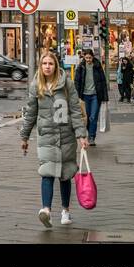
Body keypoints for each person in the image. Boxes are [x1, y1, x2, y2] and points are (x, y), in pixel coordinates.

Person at [21, 49, 88, 228]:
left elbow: (75, 111)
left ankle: (65, 210)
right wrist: (24, 136)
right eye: (44, 64)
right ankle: (46, 211)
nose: (47, 67)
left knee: (65, 175)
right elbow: (30, 113)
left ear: (55, 65)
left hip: (66, 137)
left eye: (50, 64)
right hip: (46, 137)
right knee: (47, 173)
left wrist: (81, 135)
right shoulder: (36, 86)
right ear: (40, 66)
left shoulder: (67, 84)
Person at [74, 48, 109, 144]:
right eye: (86, 58)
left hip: (95, 95)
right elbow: (76, 82)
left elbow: (103, 81)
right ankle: (89, 133)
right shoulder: (81, 67)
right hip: (84, 96)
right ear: (84, 57)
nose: (88, 60)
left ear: (93, 57)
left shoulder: (97, 66)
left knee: (93, 117)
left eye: (90, 58)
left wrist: (105, 97)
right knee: (87, 117)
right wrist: (77, 96)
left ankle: (92, 137)